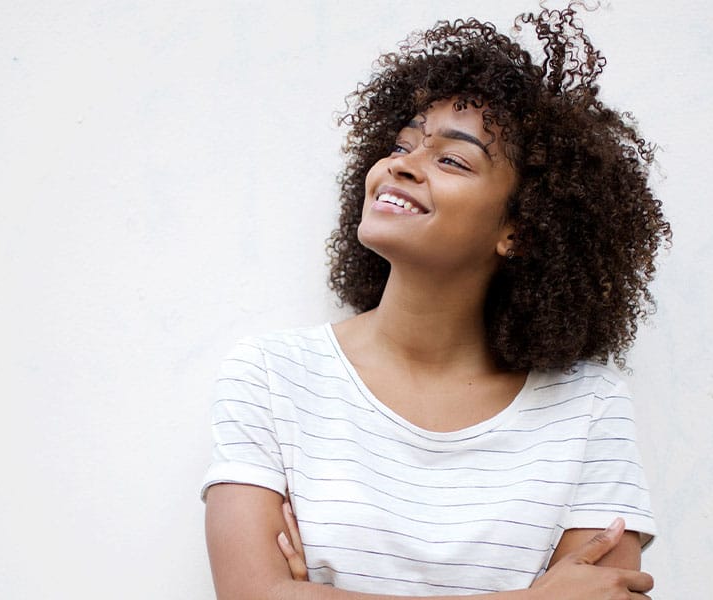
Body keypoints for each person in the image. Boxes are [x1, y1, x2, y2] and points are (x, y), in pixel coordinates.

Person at [201, 6, 670, 599]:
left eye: (451, 159)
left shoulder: (588, 404)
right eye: (403, 143)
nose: (402, 165)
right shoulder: (271, 375)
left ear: (520, 229)